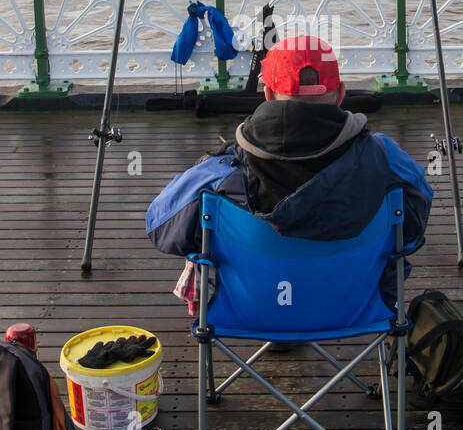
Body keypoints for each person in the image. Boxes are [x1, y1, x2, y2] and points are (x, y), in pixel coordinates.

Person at [146, 35, 433, 310]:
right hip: (355, 304)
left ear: (268, 95)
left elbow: (160, 227)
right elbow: (412, 233)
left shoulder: (220, 174)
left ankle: (282, 319)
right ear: (341, 94)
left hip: (251, 306)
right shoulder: (387, 159)